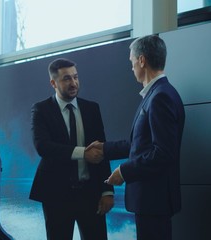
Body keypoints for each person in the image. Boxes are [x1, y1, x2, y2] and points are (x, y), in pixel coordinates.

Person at [87, 34, 185, 240]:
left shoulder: (160, 97)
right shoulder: (158, 94)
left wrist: (124, 171)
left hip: (153, 200)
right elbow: (138, 144)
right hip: (153, 200)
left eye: (132, 62)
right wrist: (105, 148)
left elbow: (163, 153)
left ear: (142, 60)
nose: (132, 68)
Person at [29, 58, 114, 240]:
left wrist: (107, 191)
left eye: (75, 77)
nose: (73, 83)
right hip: (56, 194)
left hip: (90, 193)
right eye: (67, 78)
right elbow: (43, 147)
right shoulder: (41, 110)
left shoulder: (92, 109)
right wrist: (83, 153)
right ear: (53, 83)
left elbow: (102, 151)